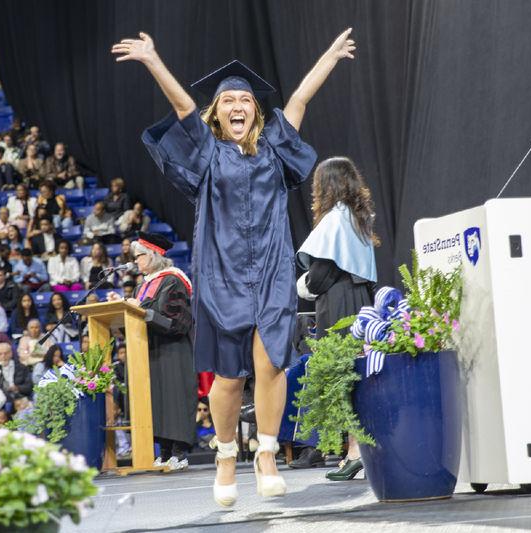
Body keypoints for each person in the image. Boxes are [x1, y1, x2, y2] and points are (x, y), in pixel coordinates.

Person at [114, 28, 355, 505]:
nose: (238, 105)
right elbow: (184, 109)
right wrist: (153, 60)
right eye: (229, 101)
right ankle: (226, 455)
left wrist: (327, 57)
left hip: (270, 270)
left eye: (246, 99)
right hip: (222, 276)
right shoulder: (207, 154)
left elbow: (301, 100)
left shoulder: (273, 151)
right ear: (219, 113)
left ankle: (266, 453)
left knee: (271, 364)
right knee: (229, 377)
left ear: (255, 113)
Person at [294, 156, 378, 479]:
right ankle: (356, 450)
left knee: (343, 377)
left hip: (338, 304)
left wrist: (304, 286)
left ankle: (355, 451)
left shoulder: (334, 221)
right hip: (361, 302)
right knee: (356, 373)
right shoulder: (359, 219)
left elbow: (321, 274)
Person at [108, 233, 196, 470]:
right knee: (156, 401)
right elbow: (138, 316)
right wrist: (123, 305)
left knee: (173, 400)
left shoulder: (173, 281)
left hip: (173, 351)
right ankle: (164, 453)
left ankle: (180, 453)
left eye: (138, 256)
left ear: (153, 255)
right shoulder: (141, 286)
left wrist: (144, 312)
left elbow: (179, 322)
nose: (135, 261)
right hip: (149, 349)